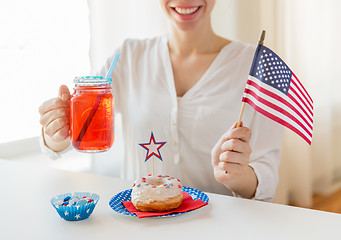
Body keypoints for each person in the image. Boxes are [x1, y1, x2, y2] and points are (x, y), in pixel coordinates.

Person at [39, 0, 283, 201]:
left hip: (217, 226)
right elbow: (79, 129)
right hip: (139, 225)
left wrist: (236, 176)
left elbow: (266, 180)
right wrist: (58, 131)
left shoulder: (254, 66)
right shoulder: (129, 57)